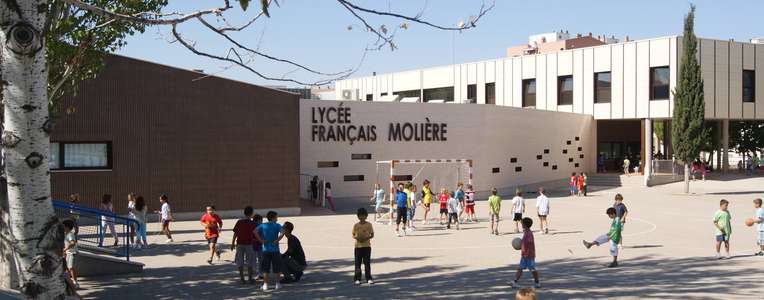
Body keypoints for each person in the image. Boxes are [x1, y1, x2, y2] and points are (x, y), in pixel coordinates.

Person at [255, 211, 285, 291]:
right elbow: (283, 232)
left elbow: (254, 231)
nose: (277, 219)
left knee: (265, 268)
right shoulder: (277, 225)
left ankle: (265, 284)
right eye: (276, 217)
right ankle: (277, 284)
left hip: (265, 250)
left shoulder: (263, 225)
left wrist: (261, 240)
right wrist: (277, 240)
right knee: (277, 267)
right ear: (273, 217)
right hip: (275, 250)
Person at [509, 217, 541, 289]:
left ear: (525, 225)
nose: (521, 224)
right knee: (520, 268)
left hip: (529, 255)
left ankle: (537, 283)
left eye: (522, 223)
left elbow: (529, 244)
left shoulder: (529, 234)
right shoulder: (526, 232)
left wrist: (527, 253)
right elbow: (524, 244)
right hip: (524, 255)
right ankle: (515, 282)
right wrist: (521, 246)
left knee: (532, 269)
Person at [232, 206, 257, 284]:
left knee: (240, 261)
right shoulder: (253, 223)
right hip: (249, 244)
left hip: (239, 243)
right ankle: (250, 278)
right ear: (252, 213)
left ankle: (242, 278)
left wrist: (232, 243)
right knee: (250, 261)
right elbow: (256, 234)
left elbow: (235, 233)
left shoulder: (239, 222)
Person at [352, 208, 374, 285]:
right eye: (360, 216)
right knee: (357, 263)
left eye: (363, 216)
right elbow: (353, 234)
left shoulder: (369, 225)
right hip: (358, 247)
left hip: (367, 246)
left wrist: (365, 238)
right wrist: (358, 238)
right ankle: (357, 278)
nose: (362, 217)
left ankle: (369, 278)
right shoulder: (356, 225)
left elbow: (372, 235)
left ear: (366, 216)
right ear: (358, 216)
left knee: (367, 263)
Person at [62, 219, 79, 288]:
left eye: (63, 226)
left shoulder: (70, 234)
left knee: (71, 267)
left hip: (73, 253)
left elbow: (73, 243)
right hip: (68, 253)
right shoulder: (65, 234)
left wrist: (65, 249)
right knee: (68, 269)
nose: (62, 228)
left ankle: (75, 282)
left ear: (67, 227)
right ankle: (69, 282)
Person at [252, 214, 264, 280]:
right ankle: (260, 273)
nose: (262, 222)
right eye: (261, 220)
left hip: (253, 244)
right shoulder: (260, 226)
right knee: (260, 259)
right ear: (259, 220)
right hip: (259, 244)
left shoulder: (251, 225)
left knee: (253, 260)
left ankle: (255, 273)